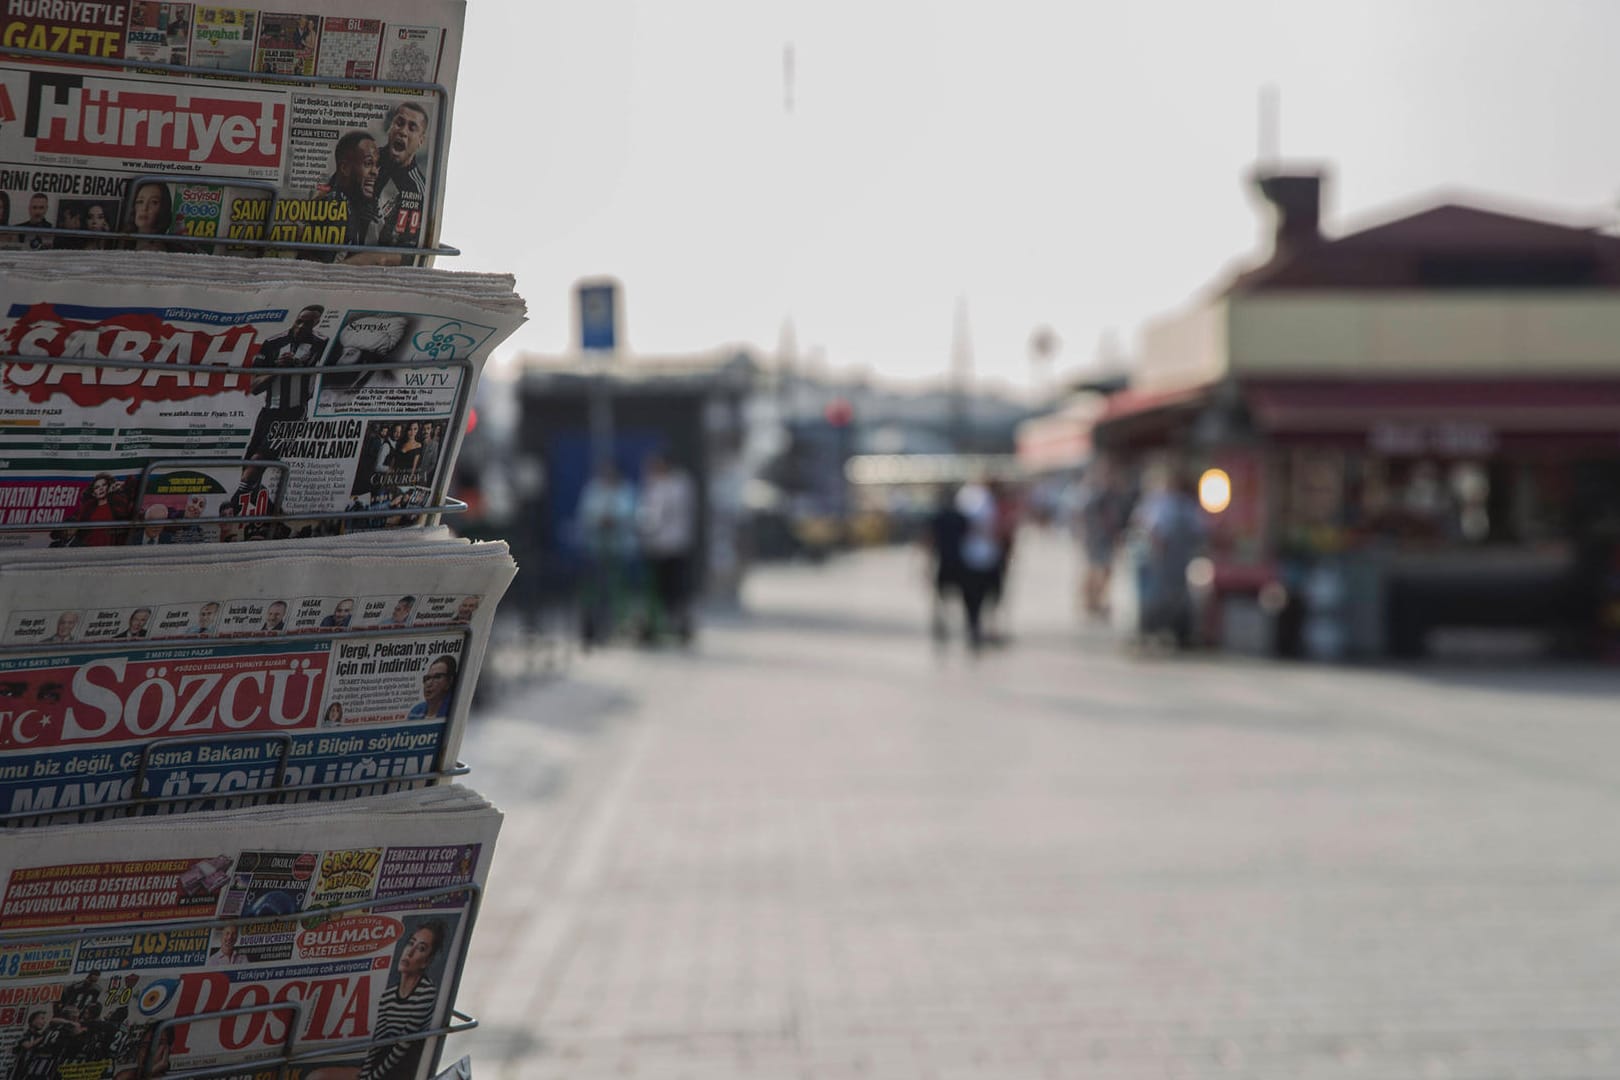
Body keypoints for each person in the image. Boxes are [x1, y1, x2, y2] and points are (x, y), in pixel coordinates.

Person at [1131, 467, 1208, 649]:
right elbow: (1200, 531)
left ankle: (1157, 631)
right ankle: (1166, 632)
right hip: (1167, 561)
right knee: (1168, 596)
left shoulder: (1163, 504)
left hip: (1165, 561)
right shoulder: (1171, 505)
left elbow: (1148, 527)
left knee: (1162, 596)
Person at [249, 304, 327, 454]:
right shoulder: (272, 343)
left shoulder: (322, 343)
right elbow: (254, 387)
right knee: (247, 473)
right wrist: (278, 369)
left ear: (317, 323)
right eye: (300, 321)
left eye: (309, 323)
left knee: (259, 462)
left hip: (295, 412)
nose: (302, 326)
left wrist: (298, 364)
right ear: (295, 319)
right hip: (268, 412)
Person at [636, 452, 697, 642]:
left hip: (675, 546)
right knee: (656, 587)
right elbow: (646, 512)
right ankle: (655, 620)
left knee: (675, 586)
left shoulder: (679, 484)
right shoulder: (653, 485)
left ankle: (677, 621)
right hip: (655, 547)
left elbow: (665, 512)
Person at [577, 463, 639, 644]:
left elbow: (629, 513)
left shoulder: (626, 491)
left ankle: (614, 625)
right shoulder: (593, 490)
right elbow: (586, 512)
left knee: (614, 589)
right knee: (594, 588)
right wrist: (599, 520)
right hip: (595, 549)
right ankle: (594, 626)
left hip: (618, 550)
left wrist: (614, 520)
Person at [1075, 461, 1132, 620]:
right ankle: (1092, 602)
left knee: (1102, 570)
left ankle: (1094, 601)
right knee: (1097, 569)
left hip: (1100, 538)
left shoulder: (1108, 494)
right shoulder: (1096, 494)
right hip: (1097, 538)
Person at [374, 102, 430, 251]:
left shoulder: (418, 191)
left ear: (420, 141)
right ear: (390, 127)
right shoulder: (366, 160)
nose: (403, 132)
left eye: (412, 128)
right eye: (399, 123)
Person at [318, 130, 381, 253]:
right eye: (368, 163)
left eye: (377, 165)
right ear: (345, 168)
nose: (375, 172)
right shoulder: (332, 210)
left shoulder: (362, 208)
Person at [925, 485, 968, 646]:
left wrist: (926, 563)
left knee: (940, 596)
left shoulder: (938, 517)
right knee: (960, 596)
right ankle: (961, 624)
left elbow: (929, 540)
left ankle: (941, 623)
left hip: (943, 561)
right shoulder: (960, 517)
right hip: (959, 561)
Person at [70, 473, 132, 547]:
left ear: (109, 486)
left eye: (104, 485)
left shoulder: (117, 503)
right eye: (97, 487)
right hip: (88, 549)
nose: (101, 488)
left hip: (112, 548)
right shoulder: (87, 508)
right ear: (93, 493)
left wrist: (122, 485)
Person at [126, 181, 171, 251]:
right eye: (140, 201)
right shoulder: (126, 241)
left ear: (163, 208)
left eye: (154, 202)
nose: (144, 208)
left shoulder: (155, 250)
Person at [407, 656, 455, 721]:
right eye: (427, 678)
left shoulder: (453, 709)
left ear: (449, 681)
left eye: (437, 677)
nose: (429, 683)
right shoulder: (416, 711)